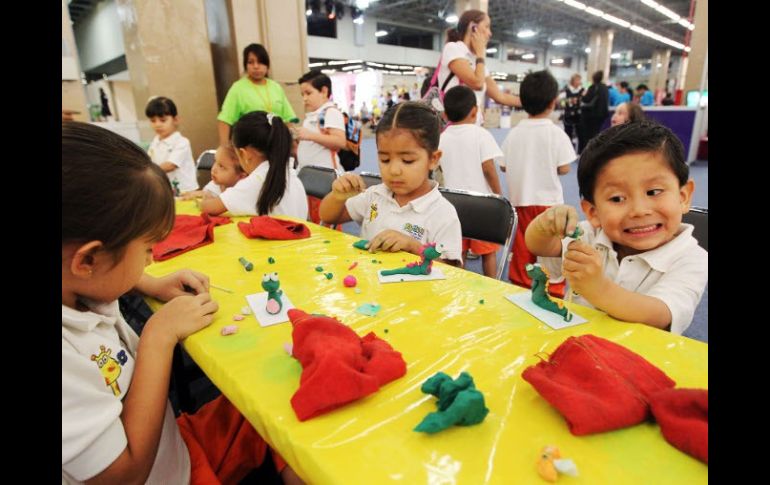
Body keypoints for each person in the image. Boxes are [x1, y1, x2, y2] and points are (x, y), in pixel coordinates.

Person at [62, 121, 302, 484]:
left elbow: (98, 279)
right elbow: (122, 477)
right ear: (88, 260)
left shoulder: (81, 283)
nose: (150, 260)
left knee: (278, 404)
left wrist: (151, 282)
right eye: (146, 251)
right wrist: (158, 337)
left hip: (172, 444)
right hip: (168, 474)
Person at [525, 120, 707, 334]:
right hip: (575, 344)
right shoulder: (590, 235)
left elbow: (659, 314)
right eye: (618, 198)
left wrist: (598, 289)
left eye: (654, 192)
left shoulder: (693, 258)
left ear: (683, 196)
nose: (639, 210)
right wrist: (544, 225)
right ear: (593, 212)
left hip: (638, 358)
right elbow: (540, 246)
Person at [318, 101, 463, 265]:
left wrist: (414, 247)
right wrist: (338, 196)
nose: (394, 170)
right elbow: (327, 216)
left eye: (407, 161)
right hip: (370, 283)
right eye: (385, 159)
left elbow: (453, 270)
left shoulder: (442, 213)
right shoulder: (375, 195)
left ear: (433, 159)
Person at [499, 70, 575, 292]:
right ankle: (552, 289)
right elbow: (564, 167)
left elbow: (503, 164)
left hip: (521, 200)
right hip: (549, 201)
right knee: (549, 247)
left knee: (523, 246)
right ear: (553, 102)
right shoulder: (556, 133)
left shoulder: (514, 133)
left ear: (522, 101)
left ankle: (522, 285)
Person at [438, 85, 503, 277]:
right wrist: (498, 195)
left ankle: (459, 285)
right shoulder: (481, 135)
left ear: (446, 114)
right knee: (488, 252)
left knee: (460, 251)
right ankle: (493, 287)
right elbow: (489, 169)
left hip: (454, 203)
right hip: (482, 203)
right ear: (475, 111)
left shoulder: (442, 138)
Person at [201, 111, 308, 219]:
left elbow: (209, 208)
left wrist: (206, 199)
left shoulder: (256, 181)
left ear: (244, 153)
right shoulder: (290, 174)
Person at [437, 9, 521, 125]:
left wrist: (532, 102)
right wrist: (481, 53)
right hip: (453, 127)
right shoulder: (453, 48)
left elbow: (500, 96)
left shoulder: (479, 64)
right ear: (473, 28)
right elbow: (477, 83)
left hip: (474, 127)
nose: (490, 33)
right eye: (487, 27)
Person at [217, 43, 298, 146]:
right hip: (251, 145)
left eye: (260, 62)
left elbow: (287, 119)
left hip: (277, 144)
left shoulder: (275, 87)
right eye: (251, 62)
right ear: (245, 65)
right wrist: (224, 147)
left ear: (267, 65)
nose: (256, 66)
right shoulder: (238, 88)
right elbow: (224, 120)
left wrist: (294, 142)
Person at [295, 70, 347, 173]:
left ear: (324, 92)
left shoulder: (331, 112)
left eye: (308, 93)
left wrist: (309, 135)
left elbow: (340, 142)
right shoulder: (312, 116)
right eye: (302, 94)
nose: (304, 98)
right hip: (309, 173)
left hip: (325, 175)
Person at [145, 96, 198, 195]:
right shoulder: (155, 141)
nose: (157, 124)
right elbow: (149, 160)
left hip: (185, 191)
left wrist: (148, 171)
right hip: (166, 189)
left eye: (163, 120)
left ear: (176, 119)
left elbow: (170, 165)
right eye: (153, 121)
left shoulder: (182, 142)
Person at [181, 144, 247, 199]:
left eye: (221, 166)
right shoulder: (213, 186)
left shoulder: (244, 192)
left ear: (241, 176)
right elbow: (205, 195)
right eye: (215, 161)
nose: (214, 169)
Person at [578, 70, 610, 153]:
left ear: (593, 78)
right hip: (602, 115)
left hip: (591, 115)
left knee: (588, 135)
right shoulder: (605, 87)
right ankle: (595, 152)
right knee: (596, 133)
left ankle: (588, 152)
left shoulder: (592, 87)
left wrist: (582, 94)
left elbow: (586, 99)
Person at [561, 73, 584, 145]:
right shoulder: (566, 90)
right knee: (568, 134)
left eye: (579, 80)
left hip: (579, 115)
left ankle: (580, 152)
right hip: (568, 115)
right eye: (577, 80)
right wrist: (569, 101)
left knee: (581, 134)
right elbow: (561, 103)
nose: (579, 82)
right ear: (573, 81)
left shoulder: (582, 90)